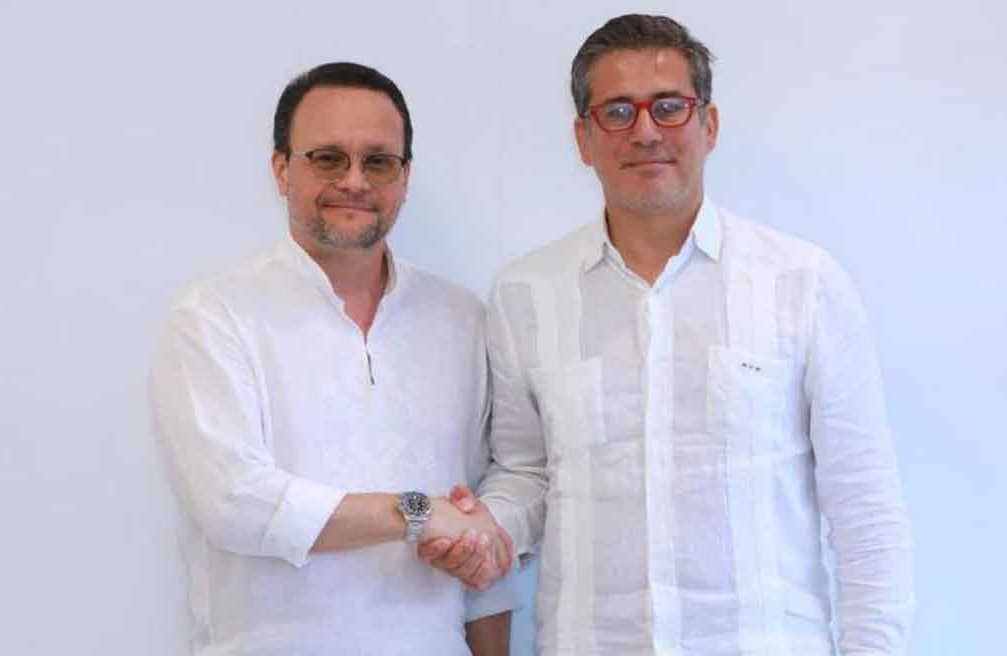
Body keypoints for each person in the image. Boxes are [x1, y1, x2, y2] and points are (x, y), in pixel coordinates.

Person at [421, 14, 915, 655]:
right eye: (617, 112)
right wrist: (486, 528)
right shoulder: (526, 294)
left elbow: (866, 511)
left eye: (669, 107)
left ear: (709, 125)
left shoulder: (802, 283)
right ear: (583, 138)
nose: (646, 131)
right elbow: (529, 474)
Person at [149, 62, 514, 656]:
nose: (354, 181)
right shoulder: (215, 316)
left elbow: (479, 532)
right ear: (281, 169)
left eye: (378, 161)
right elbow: (232, 502)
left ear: (405, 177)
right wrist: (416, 513)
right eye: (328, 158)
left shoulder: (460, 318)